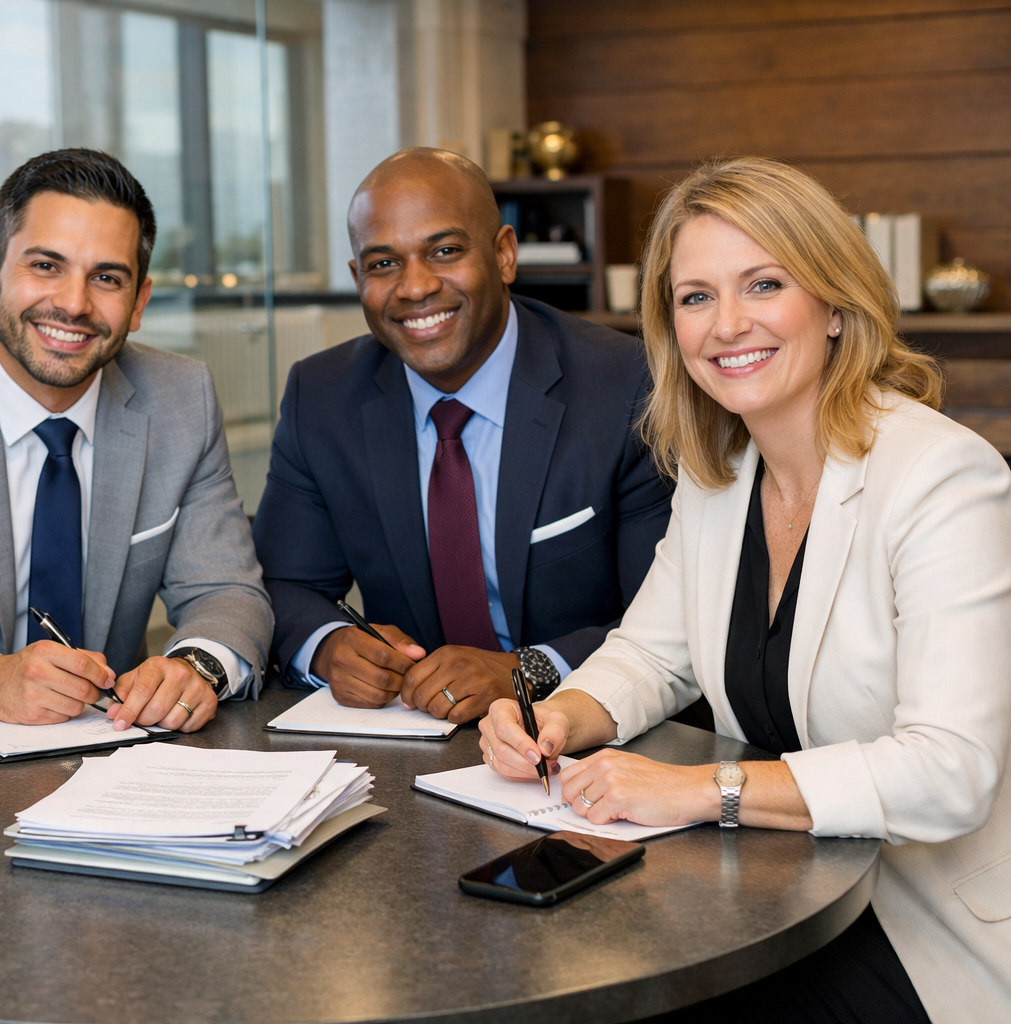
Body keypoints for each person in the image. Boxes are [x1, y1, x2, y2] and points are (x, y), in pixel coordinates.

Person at [479, 157, 1011, 1022]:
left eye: (763, 284)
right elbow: (653, 653)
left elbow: (952, 772)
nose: (727, 325)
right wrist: (556, 718)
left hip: (918, 923)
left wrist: (698, 790)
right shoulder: (719, 473)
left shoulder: (942, 476)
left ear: (835, 303)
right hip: (770, 896)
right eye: (695, 297)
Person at [0, 148, 271, 734]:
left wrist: (195, 666)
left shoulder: (182, 398)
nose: (74, 304)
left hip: (114, 749)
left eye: (106, 278)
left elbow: (227, 590)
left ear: (140, 302)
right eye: (46, 266)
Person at [251, 148, 672, 723]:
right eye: (382, 264)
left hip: (595, 731)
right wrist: (328, 645)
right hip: (411, 734)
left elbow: (669, 618)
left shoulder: (625, 385)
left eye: (445, 251)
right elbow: (283, 583)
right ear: (357, 279)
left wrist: (525, 669)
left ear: (503, 254)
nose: (415, 287)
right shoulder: (322, 397)